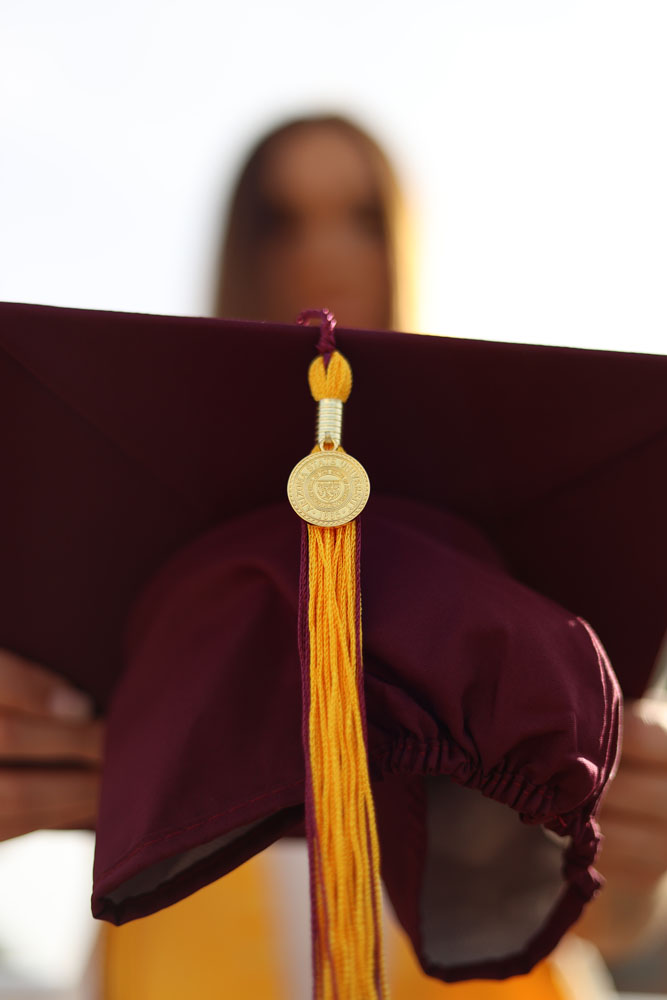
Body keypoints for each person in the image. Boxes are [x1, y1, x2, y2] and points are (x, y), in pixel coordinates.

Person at [1, 112, 666, 997]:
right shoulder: (112, 516)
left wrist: (634, 856)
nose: (322, 250)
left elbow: (614, 925)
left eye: (360, 215)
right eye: (280, 218)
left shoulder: (534, 498)